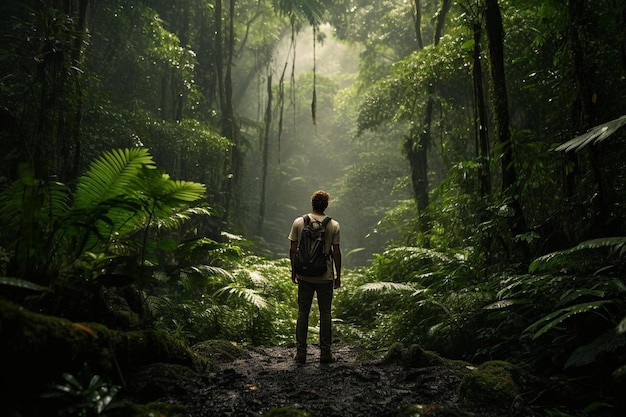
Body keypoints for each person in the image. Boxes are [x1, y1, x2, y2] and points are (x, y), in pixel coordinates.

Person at [288, 190, 342, 364]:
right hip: (324, 276)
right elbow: (336, 252)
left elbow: (293, 249)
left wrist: (294, 270)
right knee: (325, 313)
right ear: (326, 205)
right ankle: (325, 354)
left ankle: (300, 353)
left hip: (304, 275)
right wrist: (337, 275)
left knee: (303, 312)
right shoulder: (333, 225)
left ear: (312, 204)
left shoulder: (299, 222)